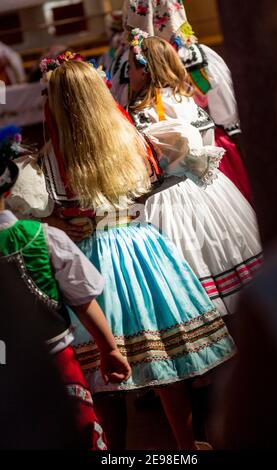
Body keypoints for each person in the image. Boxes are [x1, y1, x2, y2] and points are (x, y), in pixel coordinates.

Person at [38, 52, 235, 450]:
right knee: (167, 360)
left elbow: (46, 213)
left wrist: (64, 222)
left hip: (92, 257)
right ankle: (187, 445)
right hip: (142, 246)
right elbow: (153, 182)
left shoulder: (51, 159)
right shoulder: (133, 139)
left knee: (105, 380)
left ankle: (116, 451)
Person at [0, 125, 131, 450]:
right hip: (55, 366)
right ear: (9, 187)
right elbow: (83, 298)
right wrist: (108, 348)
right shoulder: (43, 237)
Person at [127, 33, 262, 317]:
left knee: (189, 253)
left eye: (131, 67)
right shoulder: (186, 99)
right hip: (210, 188)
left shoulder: (140, 111)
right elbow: (208, 143)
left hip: (164, 196)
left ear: (145, 69)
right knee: (223, 244)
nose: (129, 74)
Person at [110, 0, 251, 202]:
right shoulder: (197, 54)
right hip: (204, 143)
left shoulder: (124, 63)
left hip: (161, 159)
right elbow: (226, 113)